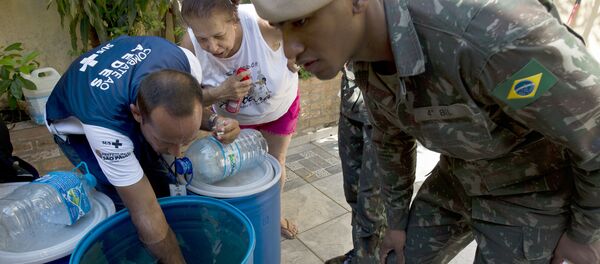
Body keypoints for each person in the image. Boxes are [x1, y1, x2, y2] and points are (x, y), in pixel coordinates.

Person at [252, 0, 600, 263]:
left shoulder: (489, 35)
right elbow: (390, 138)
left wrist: (584, 234)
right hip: (458, 175)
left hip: (533, 193)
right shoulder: (364, 50)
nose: (290, 50)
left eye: (301, 21)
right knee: (397, 256)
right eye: (281, 29)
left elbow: (595, 131)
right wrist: (397, 222)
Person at [45, 35, 240, 263]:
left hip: (123, 91)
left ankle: (176, 243)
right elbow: (144, 210)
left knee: (163, 182)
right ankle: (127, 255)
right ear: (137, 114)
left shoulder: (186, 64)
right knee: (124, 204)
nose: (177, 153)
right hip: (78, 125)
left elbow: (184, 114)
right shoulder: (106, 129)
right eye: (167, 141)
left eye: (185, 140)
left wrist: (216, 122)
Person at [180, 0, 300, 239]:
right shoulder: (189, 47)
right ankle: (241, 222)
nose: (212, 47)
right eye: (202, 38)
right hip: (233, 122)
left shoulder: (263, 24)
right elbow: (183, 98)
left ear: (234, 20)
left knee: (277, 162)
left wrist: (294, 52)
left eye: (218, 35)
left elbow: (304, 24)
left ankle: (272, 214)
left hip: (278, 108)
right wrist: (219, 93)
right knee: (236, 170)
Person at [326, 63, 385, 264]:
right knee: (353, 192)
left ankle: (371, 259)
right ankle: (362, 252)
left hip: (383, 113)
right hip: (351, 102)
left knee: (372, 201)